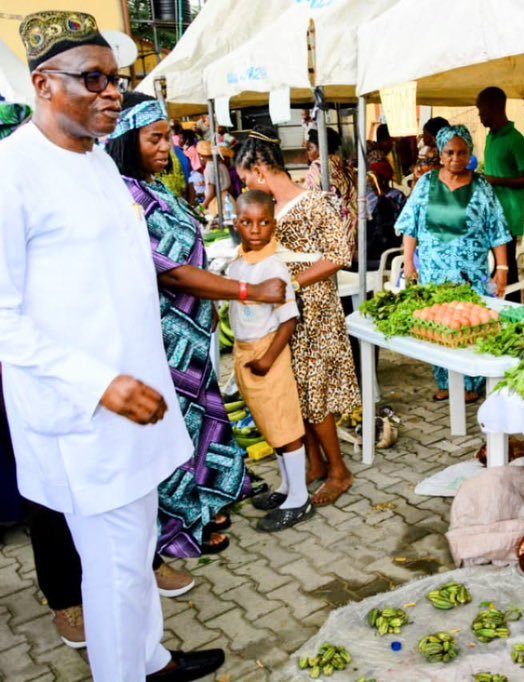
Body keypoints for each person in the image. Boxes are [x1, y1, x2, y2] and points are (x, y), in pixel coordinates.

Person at [0, 11, 223, 679]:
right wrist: (99, 382)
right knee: (117, 566)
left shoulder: (97, 161)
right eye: (91, 78)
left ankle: (149, 657)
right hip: (85, 415)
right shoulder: (12, 174)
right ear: (43, 84)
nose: (111, 93)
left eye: (115, 79)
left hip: (136, 401)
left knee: (134, 552)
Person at [106, 91, 289, 556]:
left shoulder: (155, 187)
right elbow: (172, 270)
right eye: (155, 138)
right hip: (165, 332)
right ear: (128, 140)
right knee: (178, 425)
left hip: (191, 327)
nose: (166, 146)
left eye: (167, 136)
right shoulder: (124, 196)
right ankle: (183, 524)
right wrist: (247, 291)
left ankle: (210, 501)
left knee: (202, 418)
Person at [236, 128, 361, 507]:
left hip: (315, 310)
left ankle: (339, 470)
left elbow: (339, 256)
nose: (248, 188)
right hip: (286, 313)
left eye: (246, 179)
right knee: (294, 392)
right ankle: (314, 463)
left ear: (258, 169)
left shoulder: (315, 203)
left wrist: (292, 281)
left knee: (315, 393)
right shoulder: (271, 211)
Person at [394, 125, 512, 401]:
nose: (456, 158)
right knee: (438, 325)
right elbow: (411, 226)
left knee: (470, 326)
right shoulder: (426, 183)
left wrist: (502, 269)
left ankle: (471, 385)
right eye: (450, 152)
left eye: (462, 152)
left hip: (470, 273)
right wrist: (409, 264)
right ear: (440, 153)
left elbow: (498, 230)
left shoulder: (482, 186)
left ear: (470, 152)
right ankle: (445, 382)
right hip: (434, 272)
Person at [227, 191, 314, 531]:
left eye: (264, 223)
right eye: (247, 223)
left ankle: (300, 499)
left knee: (285, 425)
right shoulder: (238, 262)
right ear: (237, 224)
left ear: (273, 225)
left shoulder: (273, 266)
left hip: (268, 353)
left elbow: (289, 319)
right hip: (247, 351)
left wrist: (267, 359)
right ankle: (286, 486)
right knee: (269, 424)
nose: (256, 230)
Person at [477, 86, 524, 301]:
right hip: (490, 215)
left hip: (508, 216)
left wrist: (497, 181)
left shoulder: (515, 140)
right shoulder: (491, 137)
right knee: (490, 268)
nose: (479, 116)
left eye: (481, 111)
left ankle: (512, 314)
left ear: (494, 108)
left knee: (508, 270)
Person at [305, 126, 357, 217]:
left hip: (332, 222)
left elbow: (311, 198)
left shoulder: (317, 166)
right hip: (351, 220)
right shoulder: (344, 164)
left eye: (310, 148)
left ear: (321, 148)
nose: (308, 153)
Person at [198, 138, 236, 217]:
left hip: (218, 203)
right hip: (229, 199)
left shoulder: (209, 168)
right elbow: (231, 188)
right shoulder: (222, 165)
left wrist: (202, 207)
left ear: (201, 156)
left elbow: (212, 192)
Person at [414, 115, 449, 184]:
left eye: (424, 133)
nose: (423, 136)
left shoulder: (436, 155)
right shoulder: (431, 151)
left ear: (432, 136)